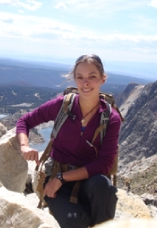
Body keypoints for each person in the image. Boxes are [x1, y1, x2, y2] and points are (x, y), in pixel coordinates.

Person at [16, 54, 121, 228]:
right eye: (80, 77)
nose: (85, 82)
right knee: (75, 221)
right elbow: (25, 121)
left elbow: (104, 164)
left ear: (103, 79)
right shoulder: (63, 106)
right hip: (56, 177)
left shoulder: (110, 118)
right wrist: (25, 146)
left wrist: (62, 178)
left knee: (103, 186)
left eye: (92, 77)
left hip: (88, 180)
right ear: (74, 79)